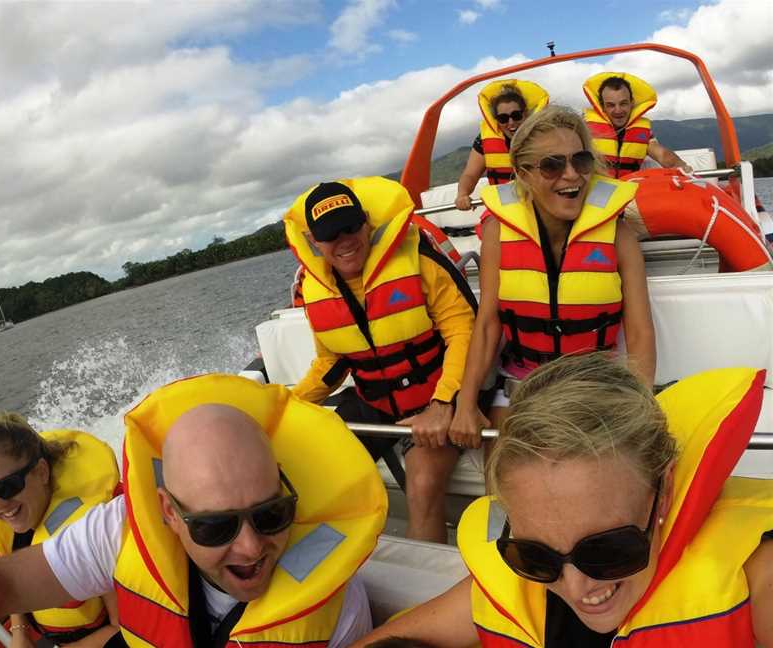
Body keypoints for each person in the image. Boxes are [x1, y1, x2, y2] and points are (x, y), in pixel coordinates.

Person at [0, 375, 386, 647]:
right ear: (169, 513)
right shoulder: (116, 533)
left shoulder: (337, 603)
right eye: (214, 525)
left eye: (270, 514)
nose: (251, 546)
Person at [352, 353, 773, 647]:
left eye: (608, 550)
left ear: (662, 492)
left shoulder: (752, 574)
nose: (577, 586)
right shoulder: (522, 585)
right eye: (536, 557)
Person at [285, 177, 478, 544]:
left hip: (443, 394)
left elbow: (463, 331)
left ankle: (424, 588)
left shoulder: (418, 259)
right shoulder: (316, 289)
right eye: (330, 235)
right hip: (375, 403)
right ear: (314, 241)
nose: (344, 241)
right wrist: (281, 409)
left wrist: (444, 403)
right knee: (305, 474)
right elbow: (332, 363)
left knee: (421, 482)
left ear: (367, 222)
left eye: (351, 227)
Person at [449, 105, 655, 447]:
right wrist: (466, 404)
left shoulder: (619, 235)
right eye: (552, 165)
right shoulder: (498, 234)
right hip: (521, 386)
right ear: (524, 173)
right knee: (503, 483)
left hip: (595, 386)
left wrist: (642, 403)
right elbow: (488, 325)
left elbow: (639, 330)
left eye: (581, 161)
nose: (572, 175)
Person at [0, 412, 121, 647]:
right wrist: (20, 633)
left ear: (41, 472)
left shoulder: (93, 530)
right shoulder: (5, 525)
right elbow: (9, 581)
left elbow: (123, 627)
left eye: (8, 487)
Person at [454, 79, 549, 210]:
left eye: (516, 116)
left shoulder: (546, 136)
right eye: (503, 118)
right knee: (490, 229)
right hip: (504, 207)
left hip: (542, 204)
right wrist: (462, 194)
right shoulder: (483, 140)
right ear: (496, 120)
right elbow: (469, 175)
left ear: (525, 114)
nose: (511, 123)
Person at [583, 72, 691, 178]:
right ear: (602, 107)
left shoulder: (642, 131)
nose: (618, 110)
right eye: (611, 105)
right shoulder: (585, 129)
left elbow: (662, 155)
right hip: (597, 190)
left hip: (629, 189)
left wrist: (683, 167)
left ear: (632, 103)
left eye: (623, 103)